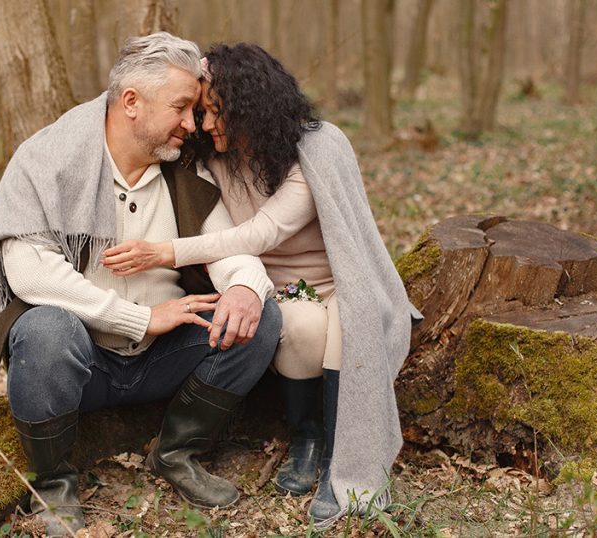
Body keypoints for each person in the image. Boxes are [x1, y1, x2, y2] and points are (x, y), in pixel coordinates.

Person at [0, 34, 282, 536]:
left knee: (260, 315)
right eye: (182, 107)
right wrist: (139, 318)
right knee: (43, 329)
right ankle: (53, 485)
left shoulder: (185, 170)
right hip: (82, 361)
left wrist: (246, 287)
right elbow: (27, 272)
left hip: (163, 358)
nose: (191, 122)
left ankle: (177, 452)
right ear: (132, 102)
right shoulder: (48, 160)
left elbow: (227, 248)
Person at [101, 43, 422, 524]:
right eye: (200, 113)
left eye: (214, 113)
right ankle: (307, 438)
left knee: (347, 335)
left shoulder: (316, 148)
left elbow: (261, 231)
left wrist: (167, 250)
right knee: (301, 330)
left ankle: (343, 463)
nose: (204, 125)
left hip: (343, 283)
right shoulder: (211, 158)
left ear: (251, 108)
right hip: (283, 288)